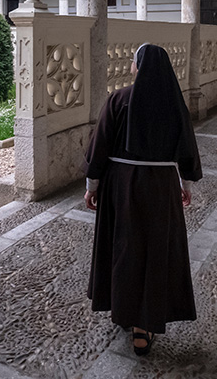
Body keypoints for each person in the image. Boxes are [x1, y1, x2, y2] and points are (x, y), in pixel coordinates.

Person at [83, 43, 202, 356]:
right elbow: (185, 151)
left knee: (125, 247)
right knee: (155, 250)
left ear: (137, 66)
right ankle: (143, 323)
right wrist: (184, 183)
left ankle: (125, 311)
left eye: (134, 62)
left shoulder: (119, 99)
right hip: (161, 188)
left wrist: (92, 185)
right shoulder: (175, 104)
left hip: (122, 186)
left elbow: (100, 147)